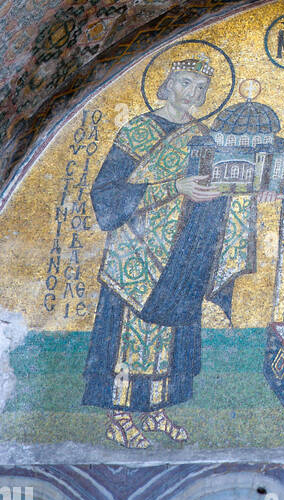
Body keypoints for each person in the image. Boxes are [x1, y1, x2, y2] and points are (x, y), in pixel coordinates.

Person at [82, 56, 260, 448]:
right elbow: (107, 195)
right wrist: (173, 188)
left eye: (201, 87)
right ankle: (120, 415)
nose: (193, 93)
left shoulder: (205, 135)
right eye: (185, 82)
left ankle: (156, 410)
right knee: (132, 335)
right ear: (166, 84)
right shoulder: (138, 132)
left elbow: (218, 188)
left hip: (182, 252)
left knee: (171, 334)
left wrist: (248, 194)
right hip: (137, 253)